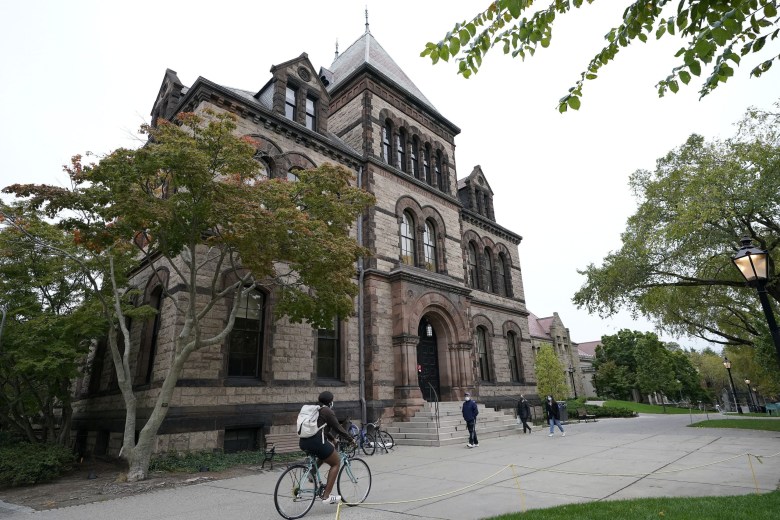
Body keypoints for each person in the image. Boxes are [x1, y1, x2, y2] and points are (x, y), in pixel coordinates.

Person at [298, 391, 355, 505]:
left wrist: (332, 439)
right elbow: (338, 427)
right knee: (336, 462)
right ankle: (326, 496)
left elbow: (321, 428)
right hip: (316, 442)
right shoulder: (327, 411)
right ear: (330, 402)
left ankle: (311, 473)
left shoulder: (315, 409)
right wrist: (351, 439)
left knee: (326, 454)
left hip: (303, 442)